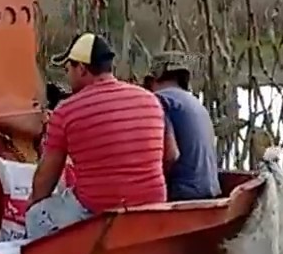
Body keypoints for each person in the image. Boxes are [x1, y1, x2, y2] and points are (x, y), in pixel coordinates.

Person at [22, 33, 171, 240]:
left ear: (81, 69)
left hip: (100, 209)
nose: (68, 76)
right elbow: (169, 156)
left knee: (37, 217)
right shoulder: (150, 101)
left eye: (68, 69)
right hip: (153, 204)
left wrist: (34, 202)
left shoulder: (67, 111)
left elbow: (46, 177)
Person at [144, 51, 221, 201]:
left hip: (184, 194)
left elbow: (171, 155)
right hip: (212, 189)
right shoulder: (194, 102)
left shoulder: (160, 100)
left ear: (152, 81)